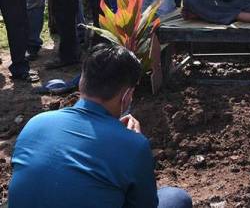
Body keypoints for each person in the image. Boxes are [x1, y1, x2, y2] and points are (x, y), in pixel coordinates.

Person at [9, 43, 193, 208]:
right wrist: (131, 142)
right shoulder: (134, 145)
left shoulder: (37, 123)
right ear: (127, 96)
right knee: (175, 198)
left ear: (82, 81)